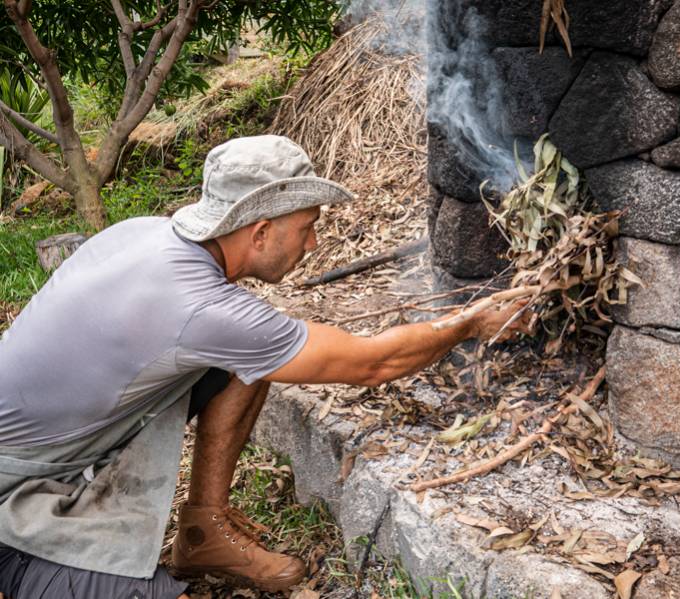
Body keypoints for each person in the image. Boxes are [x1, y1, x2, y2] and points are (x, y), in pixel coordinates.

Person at [0, 135, 522, 598]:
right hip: (14, 495)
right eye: (307, 228)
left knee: (251, 363)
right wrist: (470, 322)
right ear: (261, 231)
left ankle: (203, 534)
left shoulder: (146, 235)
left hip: (55, 445)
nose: (314, 244)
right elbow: (373, 363)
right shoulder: (200, 307)